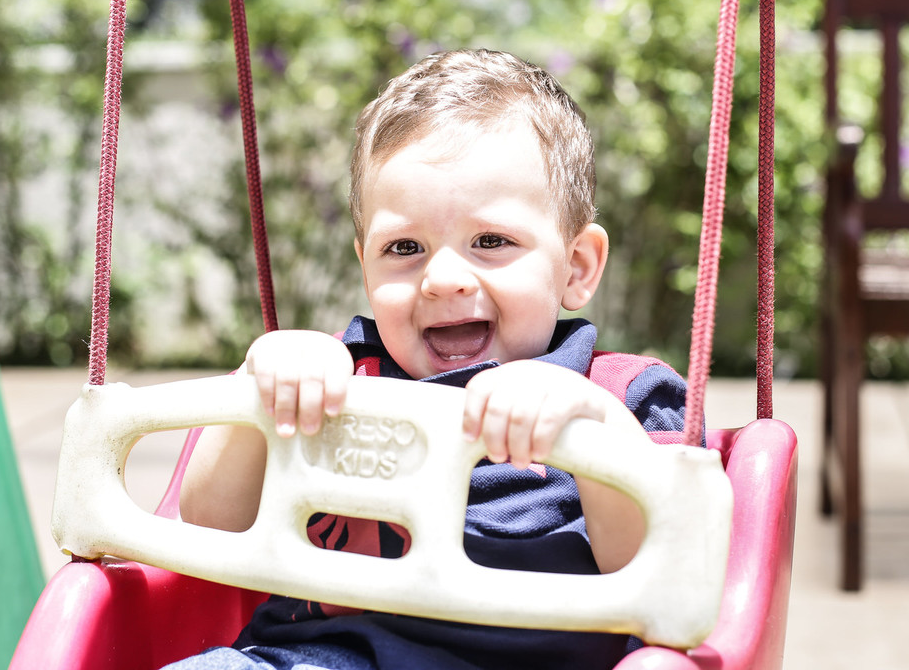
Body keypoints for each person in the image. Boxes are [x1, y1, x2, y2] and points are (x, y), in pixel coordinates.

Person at [167, 49, 689, 670]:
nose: (442, 279)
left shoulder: (624, 395)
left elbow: (671, 570)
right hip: (314, 658)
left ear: (576, 267)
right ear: (365, 265)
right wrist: (265, 385)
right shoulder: (338, 380)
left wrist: (592, 423)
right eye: (404, 248)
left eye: (490, 241)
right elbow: (209, 526)